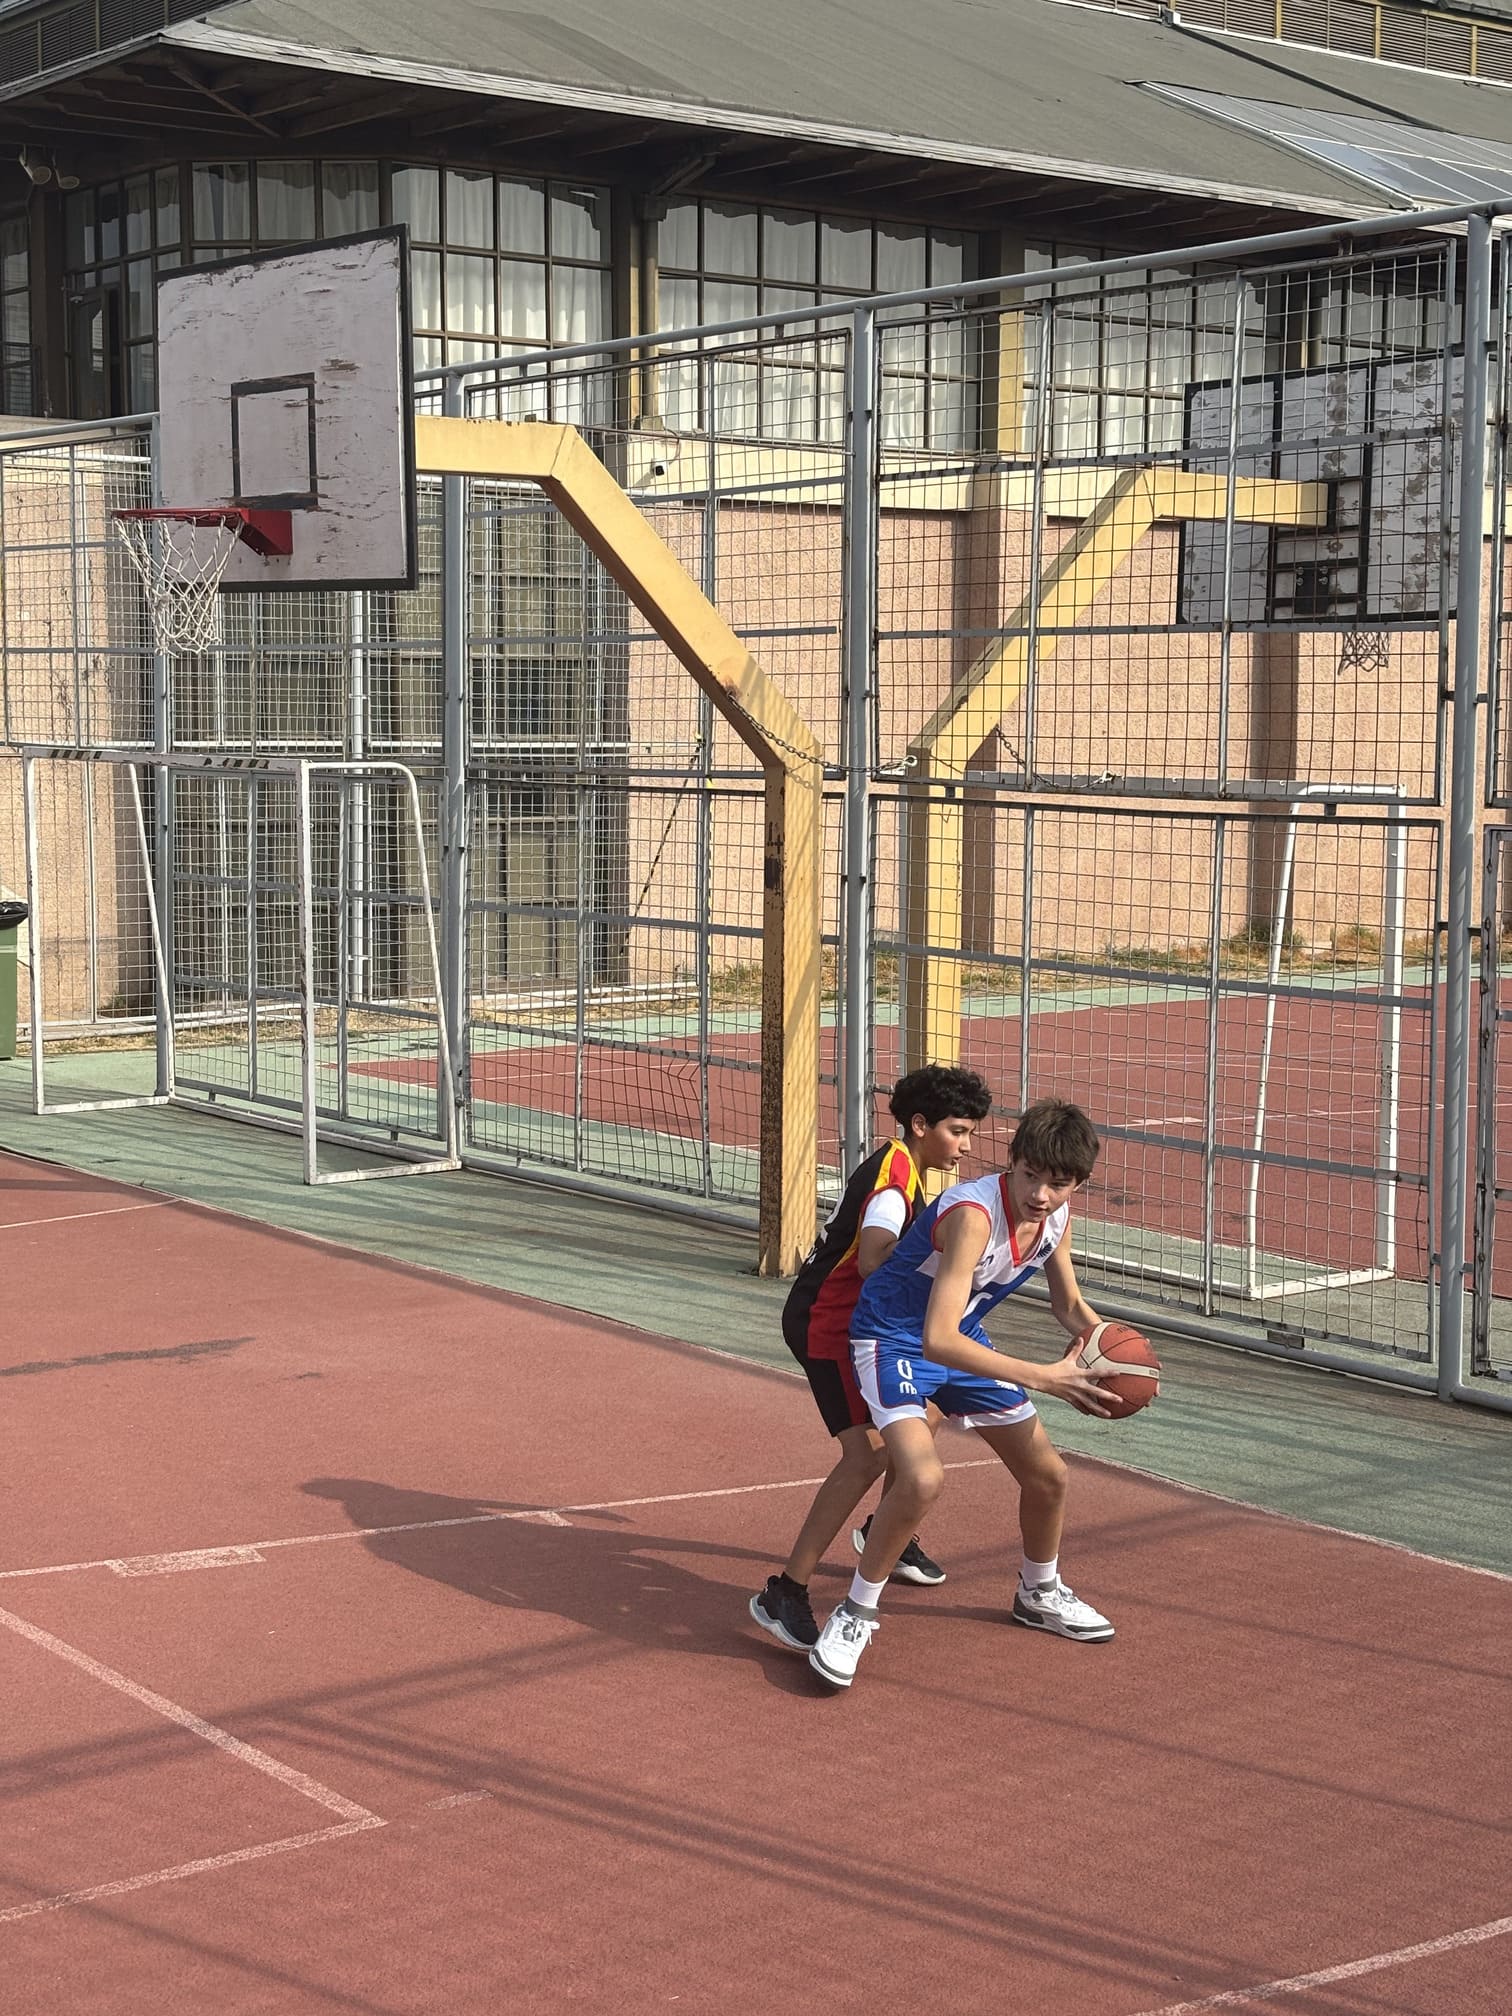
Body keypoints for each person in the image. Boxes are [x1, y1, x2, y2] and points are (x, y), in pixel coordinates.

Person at [808, 1097, 1121, 1690]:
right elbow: (938, 1339)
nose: (1040, 1195)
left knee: (1048, 1476)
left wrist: (1113, 1350)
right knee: (923, 1478)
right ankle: (854, 1613)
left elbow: (1069, 1305)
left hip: (961, 1337)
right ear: (1012, 1161)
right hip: (893, 1339)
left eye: (1058, 1185)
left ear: (1078, 1184)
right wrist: (1044, 1376)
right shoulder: (974, 1215)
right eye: (1030, 1176)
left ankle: (1038, 1592)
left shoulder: (1056, 1219)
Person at [749, 1064, 994, 1653]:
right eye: (958, 1131)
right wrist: (945, 1276)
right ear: (920, 1124)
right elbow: (873, 1258)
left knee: (926, 1413)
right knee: (868, 1454)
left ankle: (886, 1531)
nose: (966, 1145)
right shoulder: (892, 1180)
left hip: (870, 1323)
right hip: (830, 1324)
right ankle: (786, 1591)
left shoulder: (907, 1168)